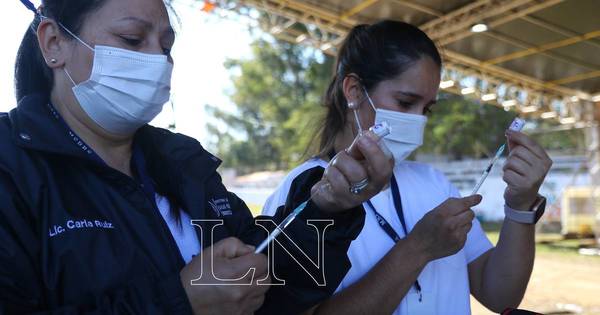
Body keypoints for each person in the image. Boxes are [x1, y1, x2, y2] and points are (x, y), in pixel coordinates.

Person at [0, 0, 394, 314]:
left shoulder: (183, 164)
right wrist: (180, 303)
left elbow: (270, 284)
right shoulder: (12, 166)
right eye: (133, 39)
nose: (158, 62)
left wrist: (326, 208)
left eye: (166, 47)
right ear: (53, 43)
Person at [262, 20, 553, 315]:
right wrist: (418, 248)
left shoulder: (433, 183)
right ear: (353, 91)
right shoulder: (301, 194)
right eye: (405, 102)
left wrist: (520, 206)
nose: (418, 123)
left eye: (426, 109)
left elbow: (500, 294)